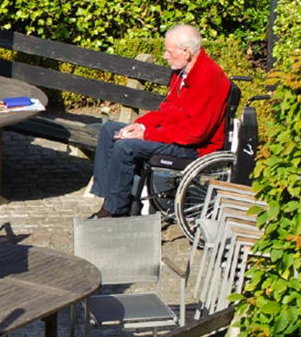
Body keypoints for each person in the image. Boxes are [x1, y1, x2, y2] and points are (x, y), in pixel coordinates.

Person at [87, 24, 231, 218]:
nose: (165, 56)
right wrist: (140, 125)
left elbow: (194, 133)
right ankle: (110, 201)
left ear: (186, 52)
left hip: (194, 147)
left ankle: (115, 212)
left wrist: (146, 135)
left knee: (126, 147)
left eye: (169, 52)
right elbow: (166, 110)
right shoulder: (182, 73)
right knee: (110, 130)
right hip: (175, 135)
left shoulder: (208, 78)